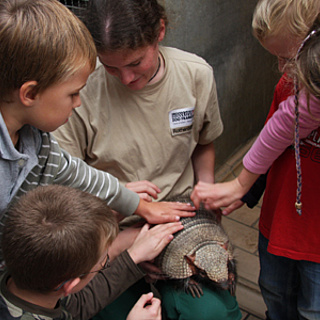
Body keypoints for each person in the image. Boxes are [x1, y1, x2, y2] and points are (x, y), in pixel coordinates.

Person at [53, 0, 242, 319]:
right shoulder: (78, 91)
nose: (126, 79)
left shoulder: (196, 74)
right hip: (108, 232)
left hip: (181, 222)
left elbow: (204, 142)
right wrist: (117, 210)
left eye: (136, 62)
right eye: (111, 67)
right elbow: (66, 190)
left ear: (160, 32)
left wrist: (206, 192)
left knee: (210, 312)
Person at [0, 0, 195, 261]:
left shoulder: (36, 139)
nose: (79, 102)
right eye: (73, 94)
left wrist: (141, 206)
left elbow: (82, 175)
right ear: (30, 93)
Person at [191, 1, 320, 319]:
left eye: (288, 58)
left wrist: (239, 182)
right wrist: (244, 192)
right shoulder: (288, 84)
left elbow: (291, 117)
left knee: (312, 308)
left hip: (315, 237)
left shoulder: (308, 95)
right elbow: (272, 142)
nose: (281, 68)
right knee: (274, 290)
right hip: (280, 221)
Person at [0, 184, 185, 319]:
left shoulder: (24, 276)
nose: (107, 258)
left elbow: (74, 307)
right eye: (104, 262)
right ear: (69, 286)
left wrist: (131, 255)